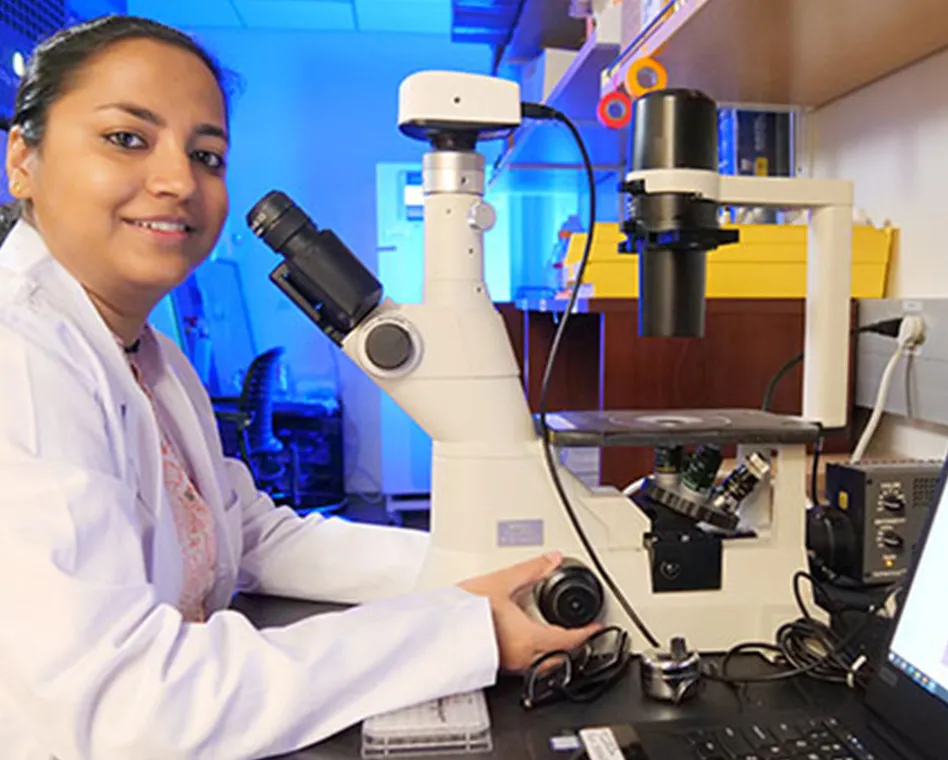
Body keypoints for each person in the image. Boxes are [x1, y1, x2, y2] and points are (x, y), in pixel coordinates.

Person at [0, 15, 599, 760]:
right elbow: (124, 707)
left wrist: (474, 577)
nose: (178, 181)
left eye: (206, 154)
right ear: (22, 158)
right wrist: (463, 632)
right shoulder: (18, 360)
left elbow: (247, 534)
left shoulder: (148, 353)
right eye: (127, 138)